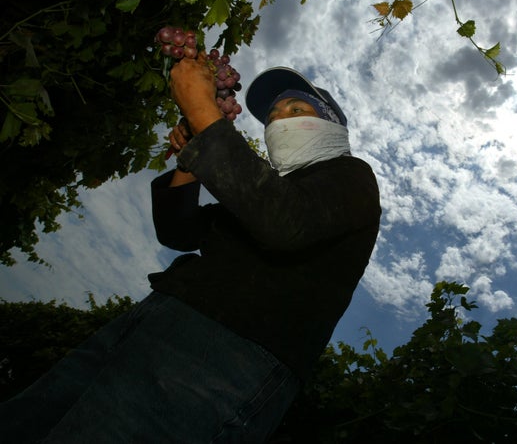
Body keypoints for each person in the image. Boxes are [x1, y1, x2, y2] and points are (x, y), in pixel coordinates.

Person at [0, 53, 382, 443]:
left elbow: (285, 224)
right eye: (271, 115)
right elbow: (178, 231)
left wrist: (202, 111)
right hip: (153, 321)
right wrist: (190, 161)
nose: (279, 119)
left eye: (296, 108)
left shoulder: (353, 178)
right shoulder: (261, 190)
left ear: (330, 125)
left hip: (227, 356)